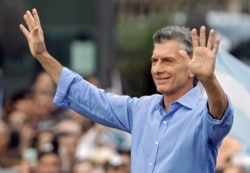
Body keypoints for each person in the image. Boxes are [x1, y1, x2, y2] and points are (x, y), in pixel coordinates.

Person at [19, 8, 234, 173]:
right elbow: (88, 97)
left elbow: (220, 112)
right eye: (155, 61)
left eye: (168, 61)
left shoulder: (202, 114)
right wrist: (43, 56)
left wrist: (209, 80)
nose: (158, 68)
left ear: (191, 68)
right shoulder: (141, 109)